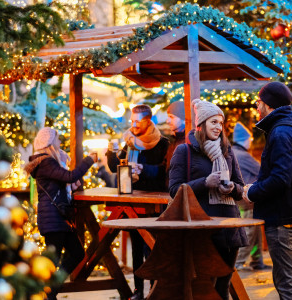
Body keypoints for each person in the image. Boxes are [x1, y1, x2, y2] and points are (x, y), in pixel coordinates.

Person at [169, 99, 247, 300]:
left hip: (229, 228)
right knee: (203, 288)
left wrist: (231, 188)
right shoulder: (184, 151)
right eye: (213, 122)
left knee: (223, 286)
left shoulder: (227, 152)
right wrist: (205, 182)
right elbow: (174, 190)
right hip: (202, 230)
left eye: (221, 123)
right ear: (201, 124)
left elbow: (240, 188)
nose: (218, 127)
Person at [242, 82, 292, 300]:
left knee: (287, 284)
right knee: (285, 281)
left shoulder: (281, 133)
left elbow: (281, 178)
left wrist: (252, 192)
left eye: (258, 102)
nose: (256, 106)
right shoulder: (291, 127)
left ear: (268, 104)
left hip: (283, 219)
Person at [24, 127, 98, 300]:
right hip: (53, 217)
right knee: (51, 261)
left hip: (58, 217)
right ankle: (42, 292)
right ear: (50, 142)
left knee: (76, 253)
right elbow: (70, 175)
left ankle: (49, 291)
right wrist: (89, 160)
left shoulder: (48, 161)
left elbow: (64, 181)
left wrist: (69, 186)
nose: (59, 141)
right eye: (56, 138)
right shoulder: (46, 162)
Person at [106, 104, 169, 300]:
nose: (133, 125)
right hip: (132, 201)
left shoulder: (162, 143)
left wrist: (143, 168)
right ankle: (138, 290)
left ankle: (154, 289)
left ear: (148, 121)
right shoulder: (128, 141)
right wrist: (110, 153)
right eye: (131, 120)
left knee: (152, 248)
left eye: (137, 121)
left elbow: (164, 173)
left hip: (153, 203)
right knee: (135, 248)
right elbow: (117, 168)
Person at [232, 122, 271, 271]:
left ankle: (257, 261)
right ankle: (238, 262)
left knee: (254, 230)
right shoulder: (243, 155)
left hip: (240, 197)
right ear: (244, 140)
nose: (251, 142)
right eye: (250, 139)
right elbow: (261, 170)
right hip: (246, 198)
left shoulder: (233, 151)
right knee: (249, 229)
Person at [165, 100, 186, 186]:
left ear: (183, 119)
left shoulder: (189, 141)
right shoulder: (174, 140)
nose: (167, 121)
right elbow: (166, 168)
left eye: (172, 117)